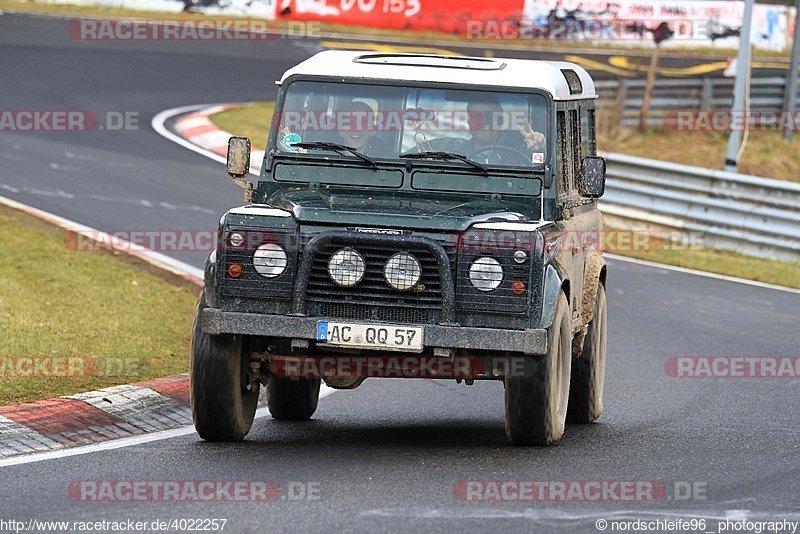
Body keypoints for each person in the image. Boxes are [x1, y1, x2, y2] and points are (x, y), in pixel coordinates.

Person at [459, 95, 546, 165]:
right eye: (477, 117)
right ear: (469, 121)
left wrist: (538, 147)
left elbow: (539, 166)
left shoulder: (520, 146)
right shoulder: (457, 154)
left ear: (500, 120)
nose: (484, 122)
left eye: (490, 116)